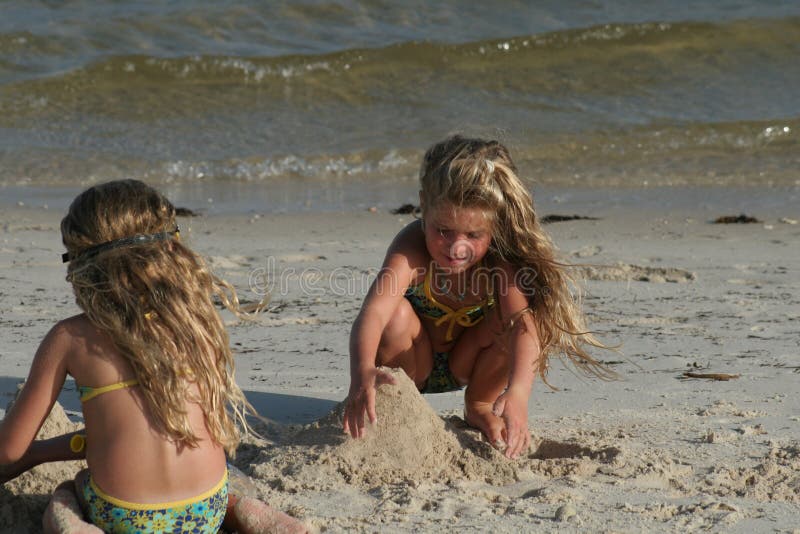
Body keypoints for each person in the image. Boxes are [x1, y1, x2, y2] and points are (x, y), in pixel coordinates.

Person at [0, 180, 256, 533]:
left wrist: (38, 453)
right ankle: (265, 518)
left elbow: (8, 452)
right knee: (232, 481)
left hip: (124, 517)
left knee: (66, 494)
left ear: (80, 265)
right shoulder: (196, 321)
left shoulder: (69, 337)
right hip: (204, 510)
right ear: (171, 249)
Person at [343, 135, 613, 459]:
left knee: (516, 318)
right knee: (395, 314)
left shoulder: (499, 259)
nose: (457, 247)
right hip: (410, 365)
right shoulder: (411, 248)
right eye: (443, 231)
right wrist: (361, 372)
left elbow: (523, 326)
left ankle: (480, 406)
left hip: (467, 362)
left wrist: (518, 393)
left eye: (473, 235)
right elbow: (373, 314)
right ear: (423, 207)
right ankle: (399, 406)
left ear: (494, 226)